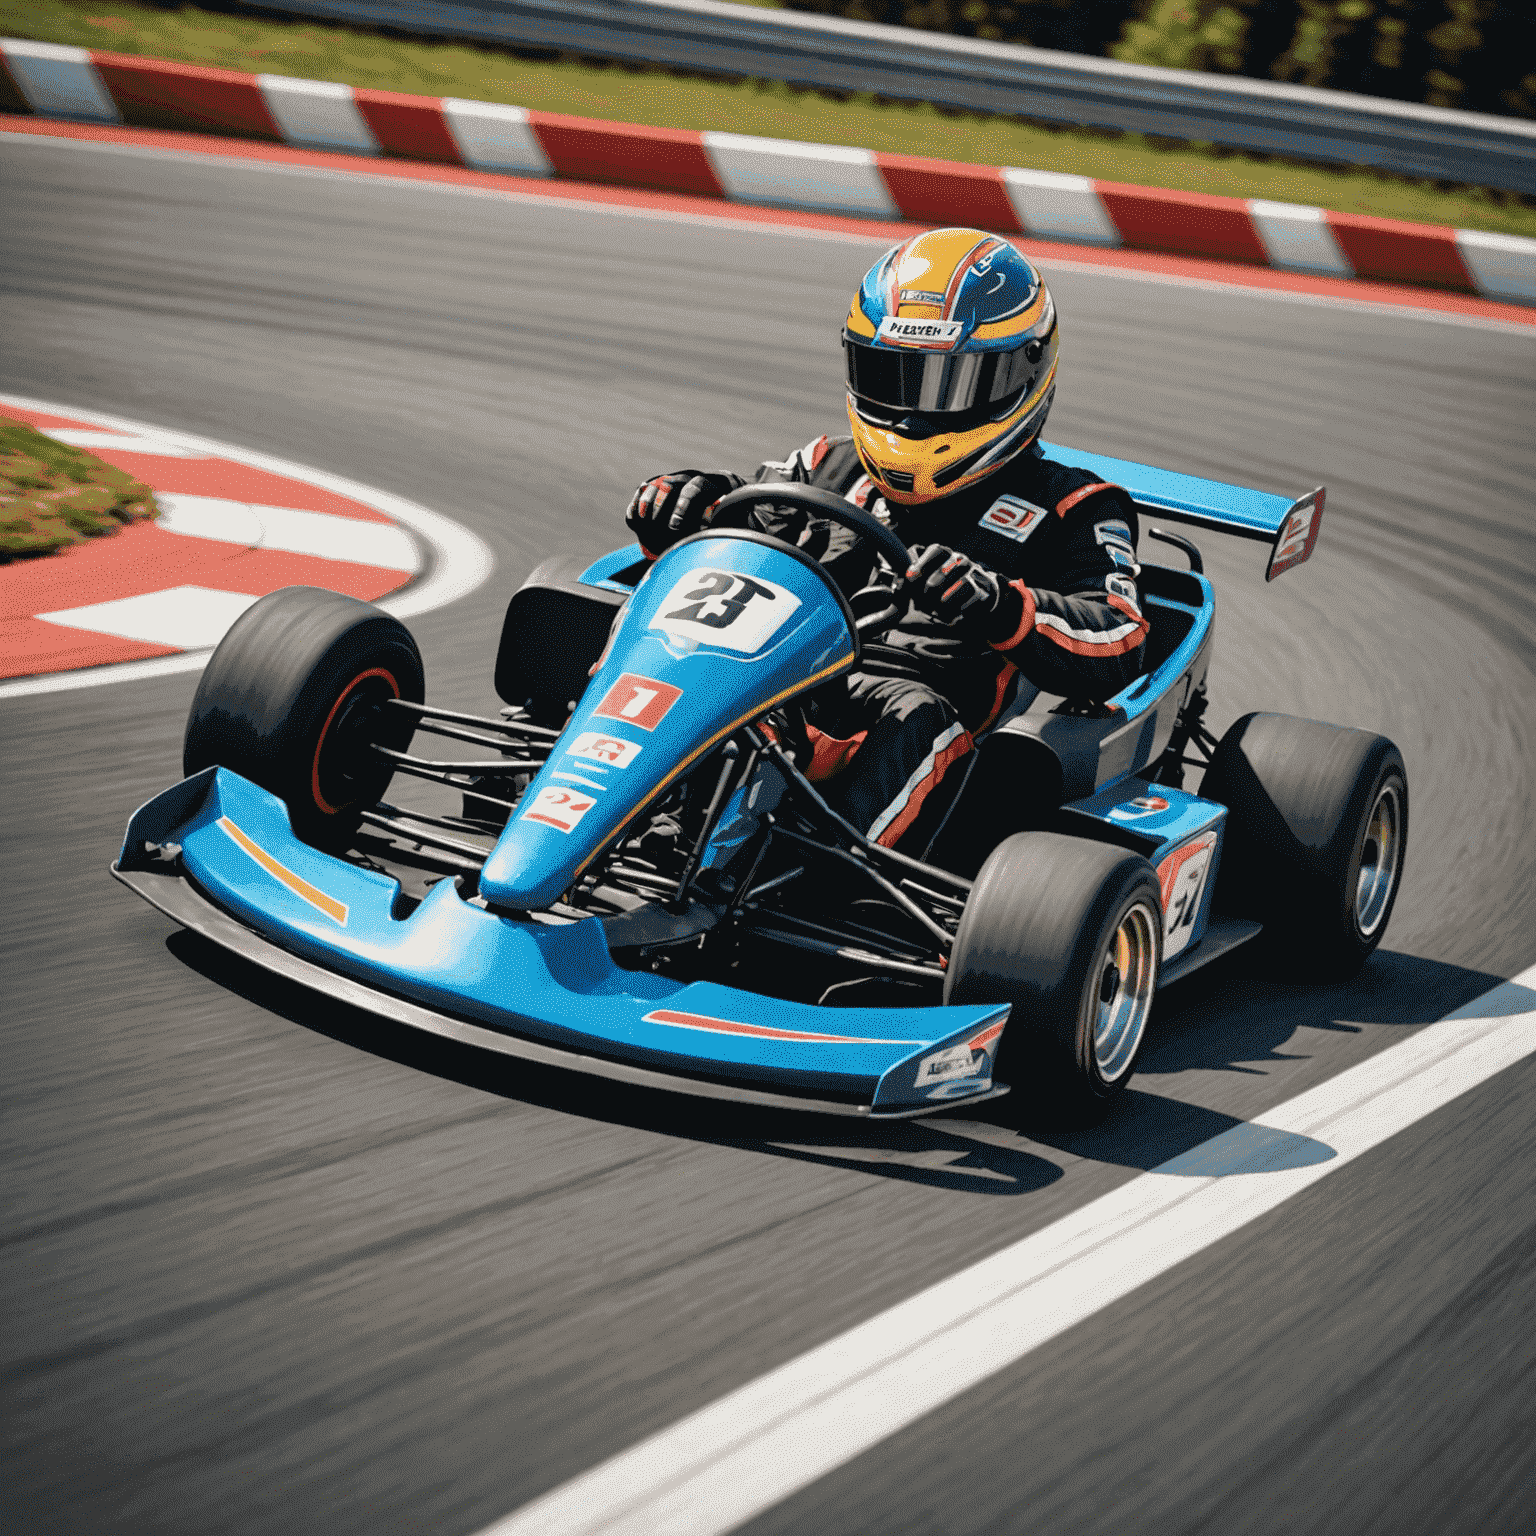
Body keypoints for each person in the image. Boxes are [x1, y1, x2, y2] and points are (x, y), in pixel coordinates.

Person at [624, 227, 1148, 854]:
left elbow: (1121, 637)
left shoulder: (1073, 507)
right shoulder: (823, 464)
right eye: (894, 377)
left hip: (918, 714)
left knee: (914, 715)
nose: (908, 417)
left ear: (1021, 373)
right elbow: (730, 559)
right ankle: (580, 812)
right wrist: (683, 513)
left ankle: (803, 878)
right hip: (769, 672)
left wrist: (998, 604)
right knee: (633, 625)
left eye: (946, 387)